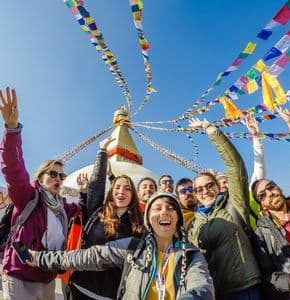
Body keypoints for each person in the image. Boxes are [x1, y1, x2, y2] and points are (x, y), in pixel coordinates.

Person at [29, 191, 215, 300]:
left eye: (170, 208)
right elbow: (88, 256)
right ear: (149, 220)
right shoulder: (133, 248)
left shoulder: (190, 255)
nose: (164, 212)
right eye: (157, 208)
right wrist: (40, 258)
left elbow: (203, 288)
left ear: (178, 219)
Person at [0, 87, 81, 300]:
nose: (58, 179)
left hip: (47, 276)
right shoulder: (28, 195)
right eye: (53, 174)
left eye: (62, 176)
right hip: (21, 275)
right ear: (41, 176)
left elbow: (85, 206)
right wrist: (12, 129)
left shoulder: (63, 207)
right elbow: (12, 167)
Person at [188, 117, 261, 299]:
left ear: (218, 186)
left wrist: (210, 129)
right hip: (213, 293)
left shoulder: (233, 204)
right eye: (199, 189)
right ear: (195, 195)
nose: (205, 191)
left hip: (244, 288)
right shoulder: (193, 223)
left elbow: (235, 166)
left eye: (209, 185)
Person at [69, 136, 145, 300]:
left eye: (127, 189)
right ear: (111, 192)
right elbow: (96, 185)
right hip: (80, 286)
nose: (121, 192)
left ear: (133, 196)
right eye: (117, 187)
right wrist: (102, 151)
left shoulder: (137, 224)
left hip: (111, 293)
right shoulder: (98, 212)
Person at [252, 107, 290, 300]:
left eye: (271, 187)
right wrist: (289, 281)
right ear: (262, 205)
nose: (270, 193)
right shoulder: (262, 233)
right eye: (263, 194)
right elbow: (265, 275)